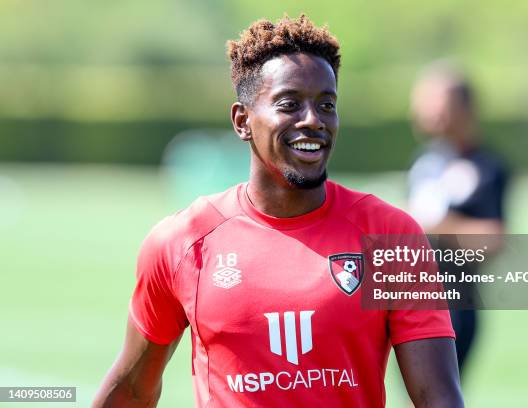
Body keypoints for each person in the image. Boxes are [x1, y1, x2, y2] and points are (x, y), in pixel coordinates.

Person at [93, 15, 463, 407]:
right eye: (289, 104)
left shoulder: (392, 234)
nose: (313, 120)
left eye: (326, 105)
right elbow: (132, 389)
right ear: (242, 121)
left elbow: (437, 397)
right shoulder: (182, 241)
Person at [406, 63, 508, 372]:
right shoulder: (424, 162)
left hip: (455, 304)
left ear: (464, 108)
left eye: (436, 102)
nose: (425, 111)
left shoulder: (487, 166)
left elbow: (494, 240)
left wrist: (434, 225)